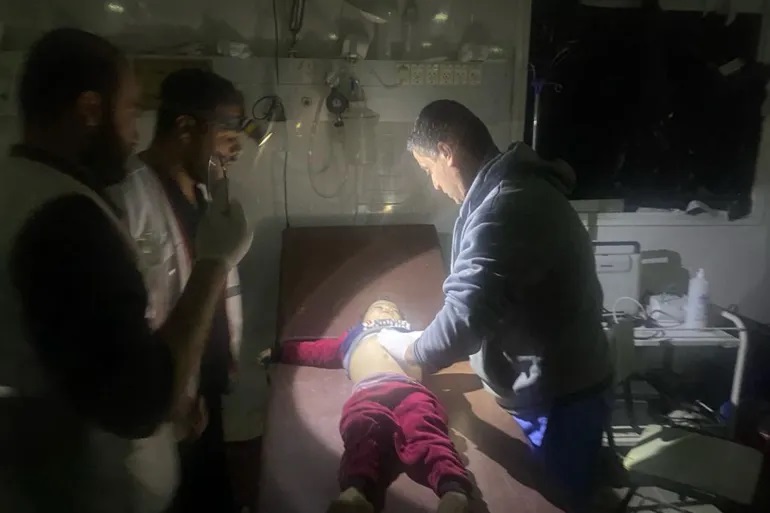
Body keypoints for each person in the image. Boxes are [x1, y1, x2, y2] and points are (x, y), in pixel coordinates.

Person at [0, 29, 252, 513]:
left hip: (140, 435)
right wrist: (214, 264)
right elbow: (138, 396)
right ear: (90, 110)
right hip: (90, 485)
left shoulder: (25, 187)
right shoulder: (67, 217)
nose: (136, 131)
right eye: (131, 111)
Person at [379, 99, 612, 512]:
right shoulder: (508, 192)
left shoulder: (507, 205)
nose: (434, 184)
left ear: (447, 152)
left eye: (428, 169)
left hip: (559, 398)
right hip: (553, 383)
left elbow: (464, 320)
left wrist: (408, 348)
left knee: (554, 504)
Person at [108, 68, 247, 513]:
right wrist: (176, 398)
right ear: (186, 127)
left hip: (207, 387)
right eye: (226, 130)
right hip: (166, 397)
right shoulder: (128, 196)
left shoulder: (204, 196)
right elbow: (129, 314)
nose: (235, 145)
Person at [263, 300, 472, 513]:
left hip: (411, 390)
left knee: (425, 428)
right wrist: (280, 352)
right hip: (368, 391)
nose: (387, 309)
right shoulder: (351, 337)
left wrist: (473, 343)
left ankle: (453, 491)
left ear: (402, 319)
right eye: (378, 307)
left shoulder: (415, 335)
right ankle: (356, 491)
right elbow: (315, 349)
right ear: (364, 319)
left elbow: (447, 342)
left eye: (393, 309)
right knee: (361, 430)